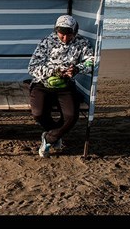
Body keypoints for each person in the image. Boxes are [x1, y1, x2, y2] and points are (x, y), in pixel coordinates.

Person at [28, 15, 94, 158]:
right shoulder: (47, 41)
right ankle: (56, 135)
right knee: (38, 113)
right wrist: (54, 71)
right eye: (61, 34)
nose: (64, 38)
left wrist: (77, 69)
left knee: (71, 117)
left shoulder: (82, 43)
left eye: (68, 34)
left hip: (66, 86)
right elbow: (32, 67)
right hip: (42, 83)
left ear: (75, 32)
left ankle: (49, 138)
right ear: (56, 31)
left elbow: (90, 62)